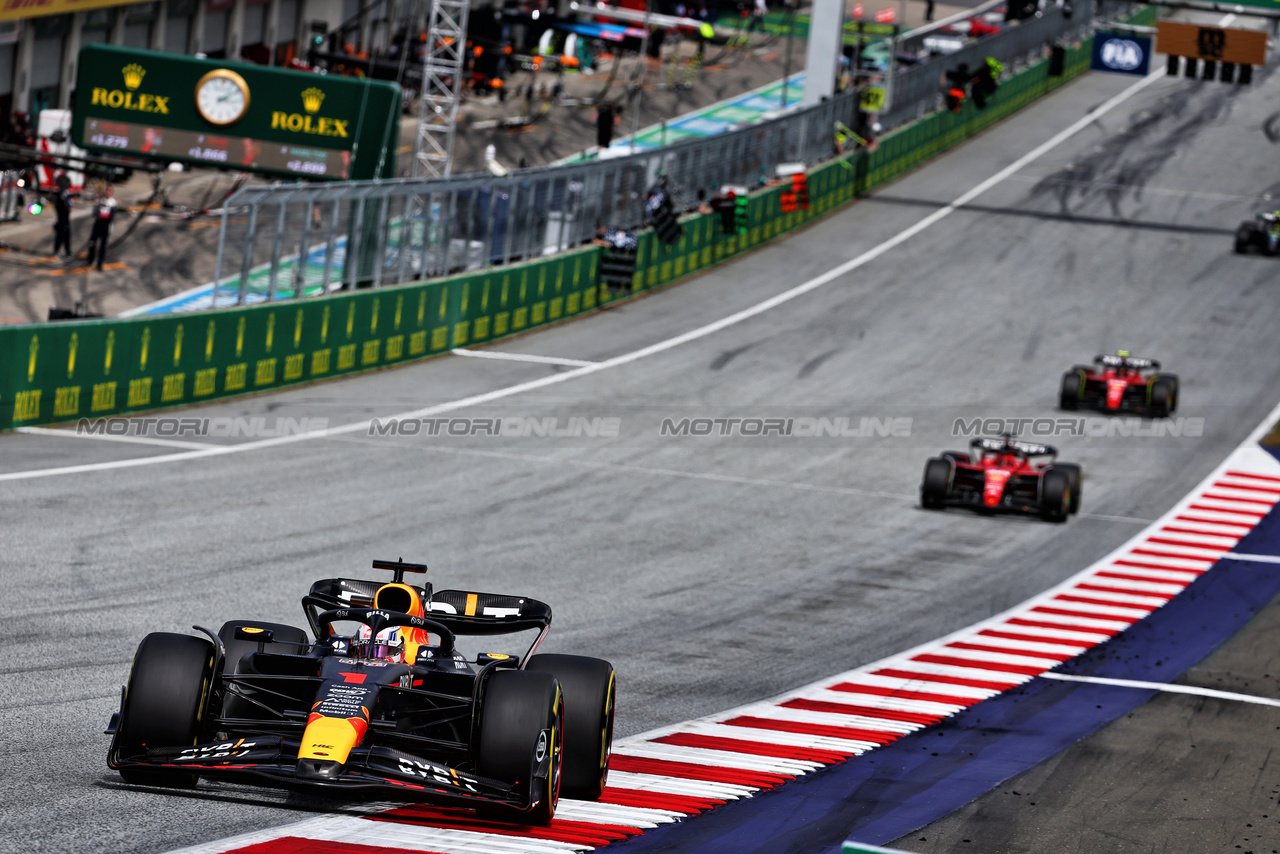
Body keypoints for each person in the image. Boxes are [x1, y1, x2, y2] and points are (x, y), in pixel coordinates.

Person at [88, 185, 118, 270]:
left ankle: (99, 264)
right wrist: (99, 214)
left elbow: (112, 214)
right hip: (98, 224)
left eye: (109, 190)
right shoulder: (100, 200)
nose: (107, 192)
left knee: (103, 246)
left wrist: (105, 215)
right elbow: (95, 212)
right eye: (106, 190)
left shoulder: (113, 202)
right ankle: (90, 259)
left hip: (106, 226)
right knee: (92, 242)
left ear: (112, 192)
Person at [52, 173, 72, 257]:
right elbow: (60, 206)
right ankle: (58, 251)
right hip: (62, 218)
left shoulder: (66, 194)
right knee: (61, 235)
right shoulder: (61, 195)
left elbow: (70, 204)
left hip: (65, 218)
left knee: (66, 235)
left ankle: (67, 251)